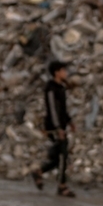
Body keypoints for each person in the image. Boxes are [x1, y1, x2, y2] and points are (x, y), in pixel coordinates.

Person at [32, 61, 76, 197]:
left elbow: (63, 109)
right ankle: (62, 186)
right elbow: (52, 110)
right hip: (54, 127)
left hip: (61, 126)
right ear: (56, 72)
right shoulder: (51, 88)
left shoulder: (61, 87)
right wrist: (58, 128)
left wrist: (69, 121)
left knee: (58, 158)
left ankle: (39, 172)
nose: (66, 73)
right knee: (63, 156)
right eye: (63, 70)